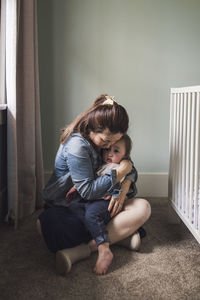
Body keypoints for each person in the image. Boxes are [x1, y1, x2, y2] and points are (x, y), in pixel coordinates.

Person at [37, 94, 151, 276]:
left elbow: (126, 164)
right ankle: (117, 236)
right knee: (49, 226)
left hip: (98, 204)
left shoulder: (108, 141)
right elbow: (89, 191)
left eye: (114, 142)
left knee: (143, 207)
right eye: (106, 142)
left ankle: (86, 248)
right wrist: (121, 173)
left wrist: (123, 188)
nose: (109, 147)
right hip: (70, 205)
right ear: (92, 129)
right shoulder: (77, 146)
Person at [67, 134, 139, 275]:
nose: (110, 154)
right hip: (92, 199)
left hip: (105, 201)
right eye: (107, 150)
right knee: (74, 209)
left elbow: (122, 181)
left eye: (116, 151)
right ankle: (118, 236)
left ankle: (104, 249)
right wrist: (76, 187)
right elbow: (91, 180)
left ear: (126, 155)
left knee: (92, 216)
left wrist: (116, 193)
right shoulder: (102, 165)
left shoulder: (119, 166)